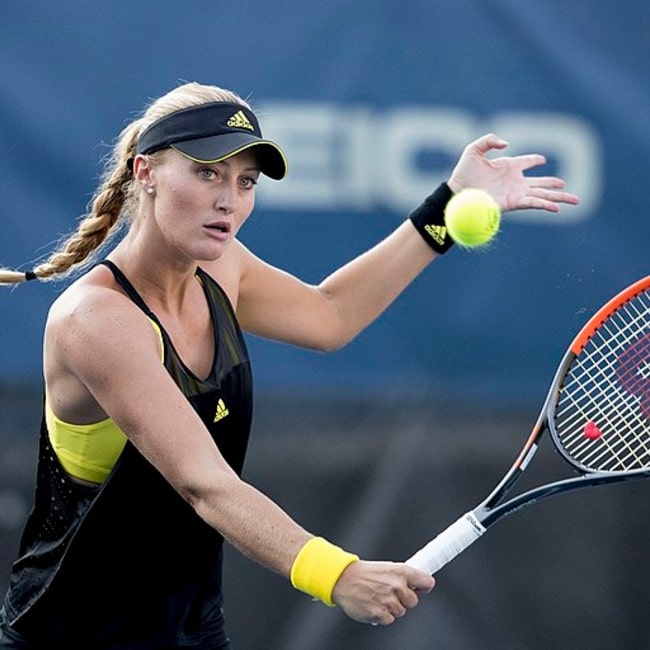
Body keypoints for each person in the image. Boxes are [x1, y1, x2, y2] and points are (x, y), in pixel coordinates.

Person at [0, 81, 579, 649]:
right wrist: (337, 574)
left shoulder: (223, 269)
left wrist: (447, 206)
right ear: (145, 172)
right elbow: (204, 485)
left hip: (191, 630)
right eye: (207, 172)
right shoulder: (97, 319)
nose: (229, 199)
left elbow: (330, 315)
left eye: (245, 181)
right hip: (69, 634)